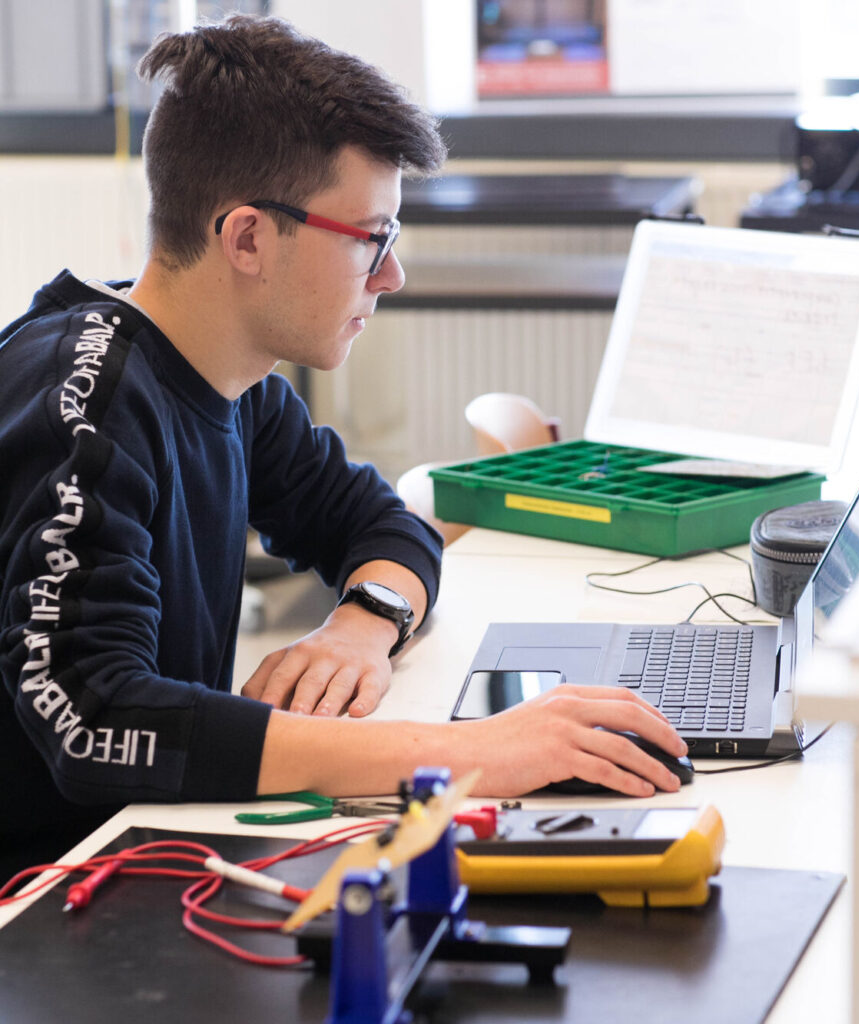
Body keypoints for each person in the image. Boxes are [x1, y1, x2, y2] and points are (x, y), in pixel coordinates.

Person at [0, 14, 684, 874]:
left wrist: (366, 625)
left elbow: (382, 523)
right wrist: (461, 753)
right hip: (42, 915)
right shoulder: (88, 404)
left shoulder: (227, 376)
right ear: (247, 236)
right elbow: (96, 720)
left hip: (139, 860)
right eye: (372, 239)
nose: (392, 276)